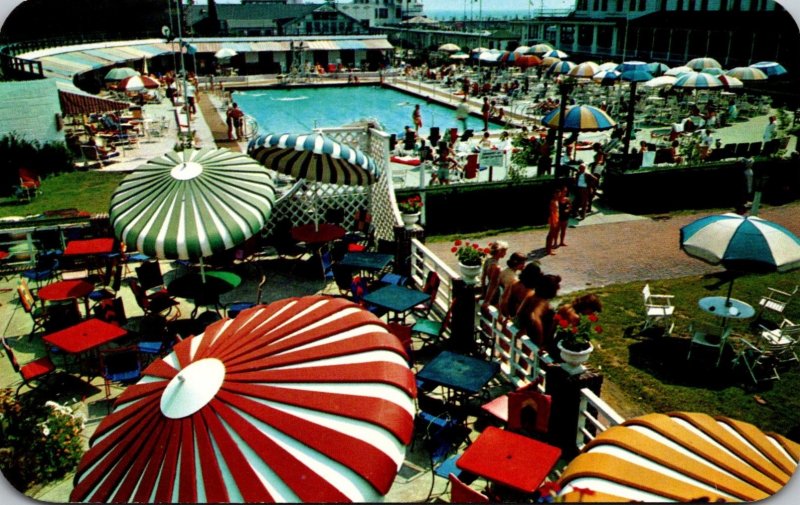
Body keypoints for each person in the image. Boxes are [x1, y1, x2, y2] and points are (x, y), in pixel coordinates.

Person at [515, 274, 562, 347]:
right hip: (541, 338)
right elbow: (535, 317)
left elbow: (519, 312)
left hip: (529, 331)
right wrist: (541, 342)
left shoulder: (531, 295)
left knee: (525, 353)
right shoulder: (543, 304)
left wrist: (523, 328)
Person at [481, 241, 509, 309]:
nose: (505, 253)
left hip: (488, 289)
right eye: (504, 251)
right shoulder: (496, 267)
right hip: (495, 292)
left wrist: (483, 293)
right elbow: (493, 284)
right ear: (499, 252)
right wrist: (487, 300)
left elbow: (483, 278)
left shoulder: (488, 261)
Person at [545, 188, 560, 256]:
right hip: (553, 219)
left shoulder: (556, 201)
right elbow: (551, 212)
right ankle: (548, 250)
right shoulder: (552, 202)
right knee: (551, 235)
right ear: (554, 194)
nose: (558, 195)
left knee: (552, 234)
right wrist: (553, 221)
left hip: (556, 218)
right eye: (557, 194)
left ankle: (548, 248)